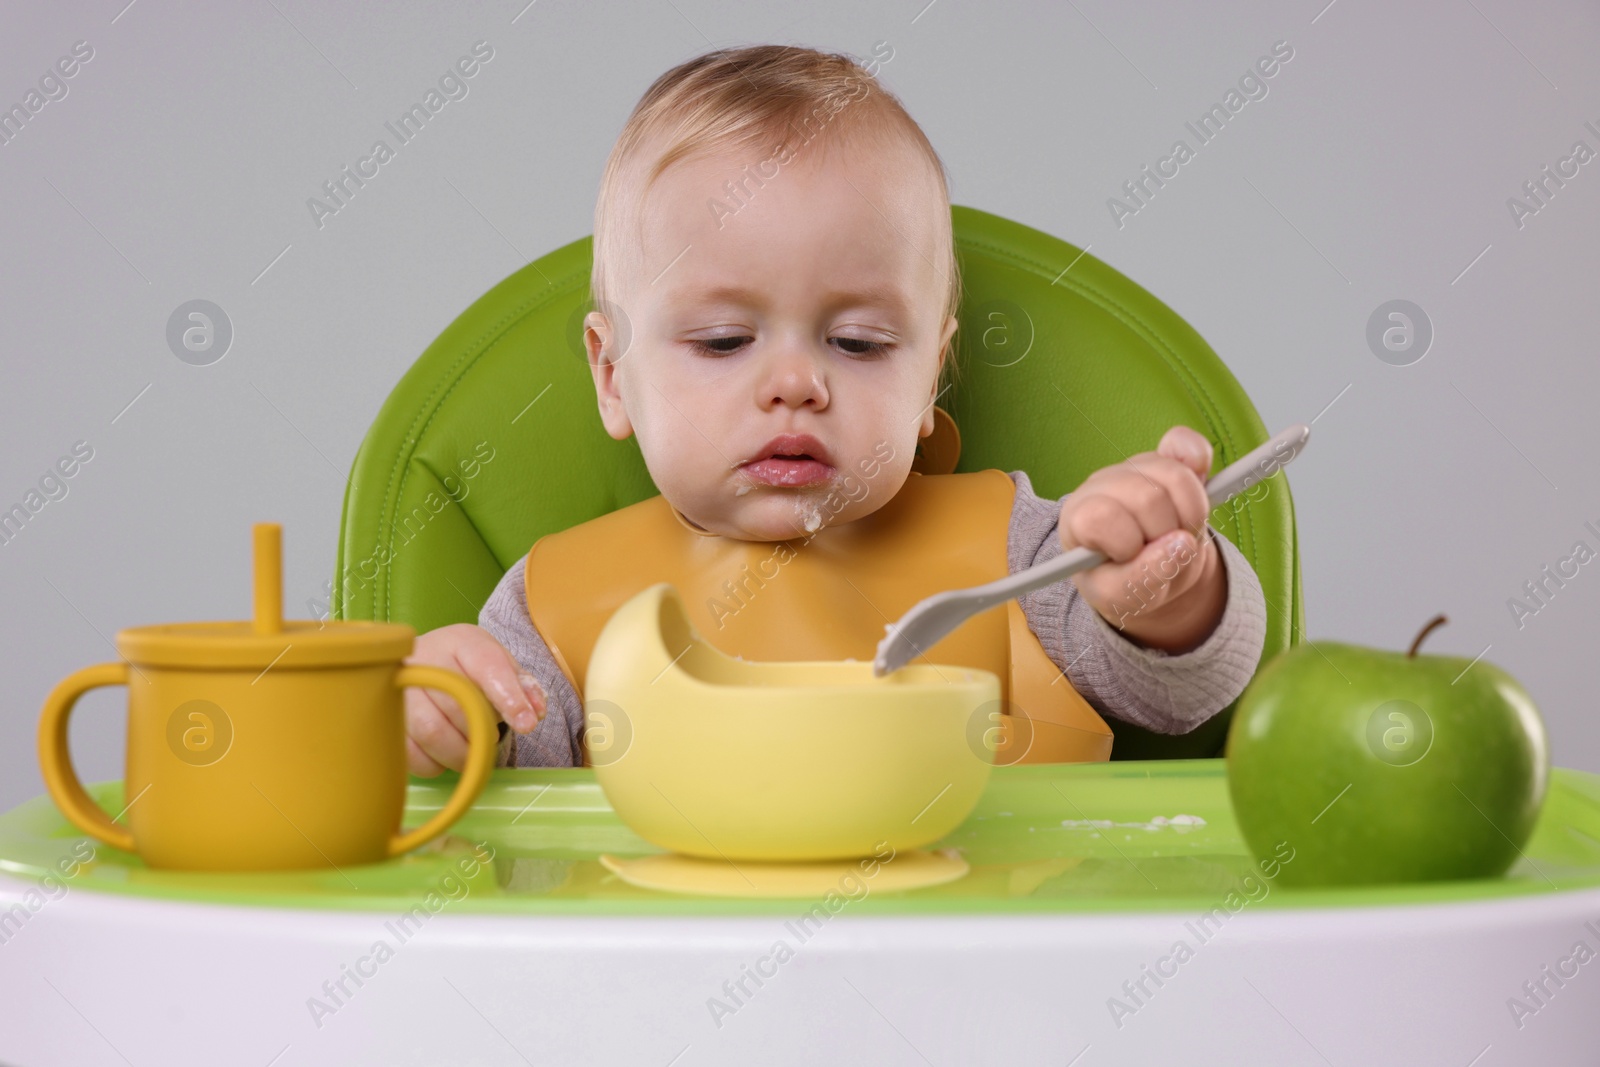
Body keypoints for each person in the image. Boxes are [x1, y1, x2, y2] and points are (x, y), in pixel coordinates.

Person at [401, 44, 1267, 775]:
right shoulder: (556, 607)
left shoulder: (1021, 554)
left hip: (994, 960)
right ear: (613, 376)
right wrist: (455, 715)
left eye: (857, 343)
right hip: (668, 968)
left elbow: (1180, 696)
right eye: (721, 340)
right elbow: (501, 795)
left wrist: (1164, 593)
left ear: (931, 374)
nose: (796, 384)